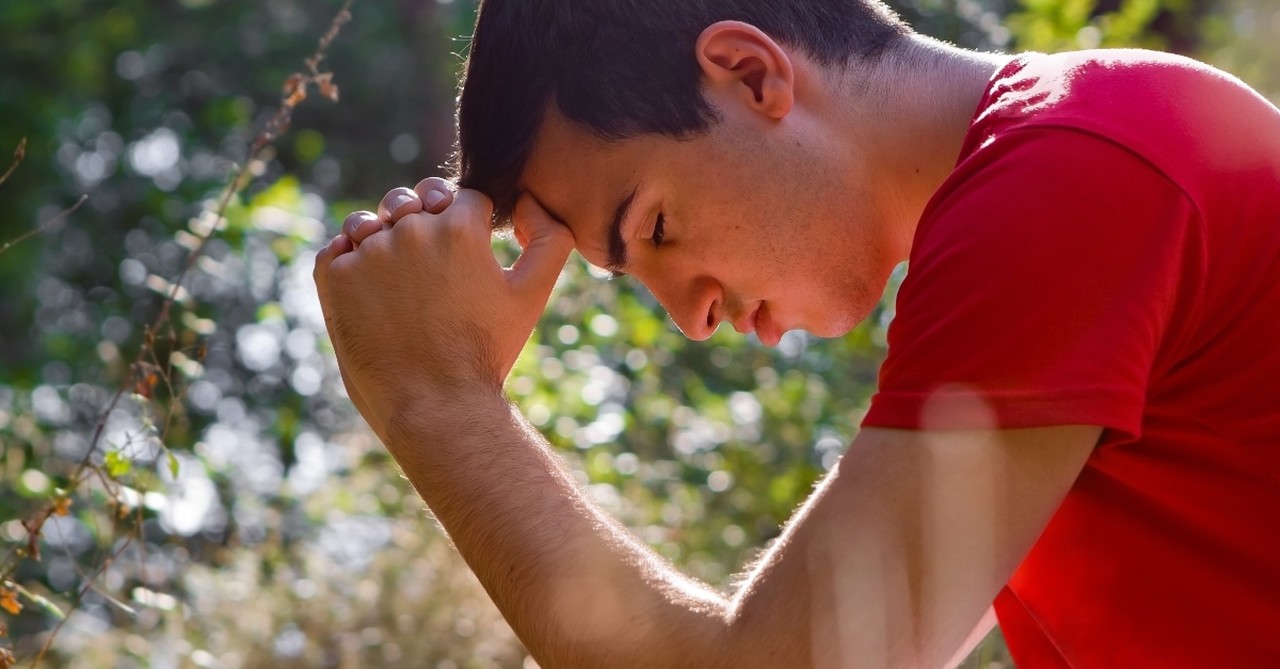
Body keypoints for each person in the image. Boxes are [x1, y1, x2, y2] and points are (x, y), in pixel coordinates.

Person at [312, 0, 1280, 666]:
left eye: (653, 228)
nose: (692, 319)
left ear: (747, 73)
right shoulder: (1076, 157)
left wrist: (437, 402)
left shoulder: (1075, 169)